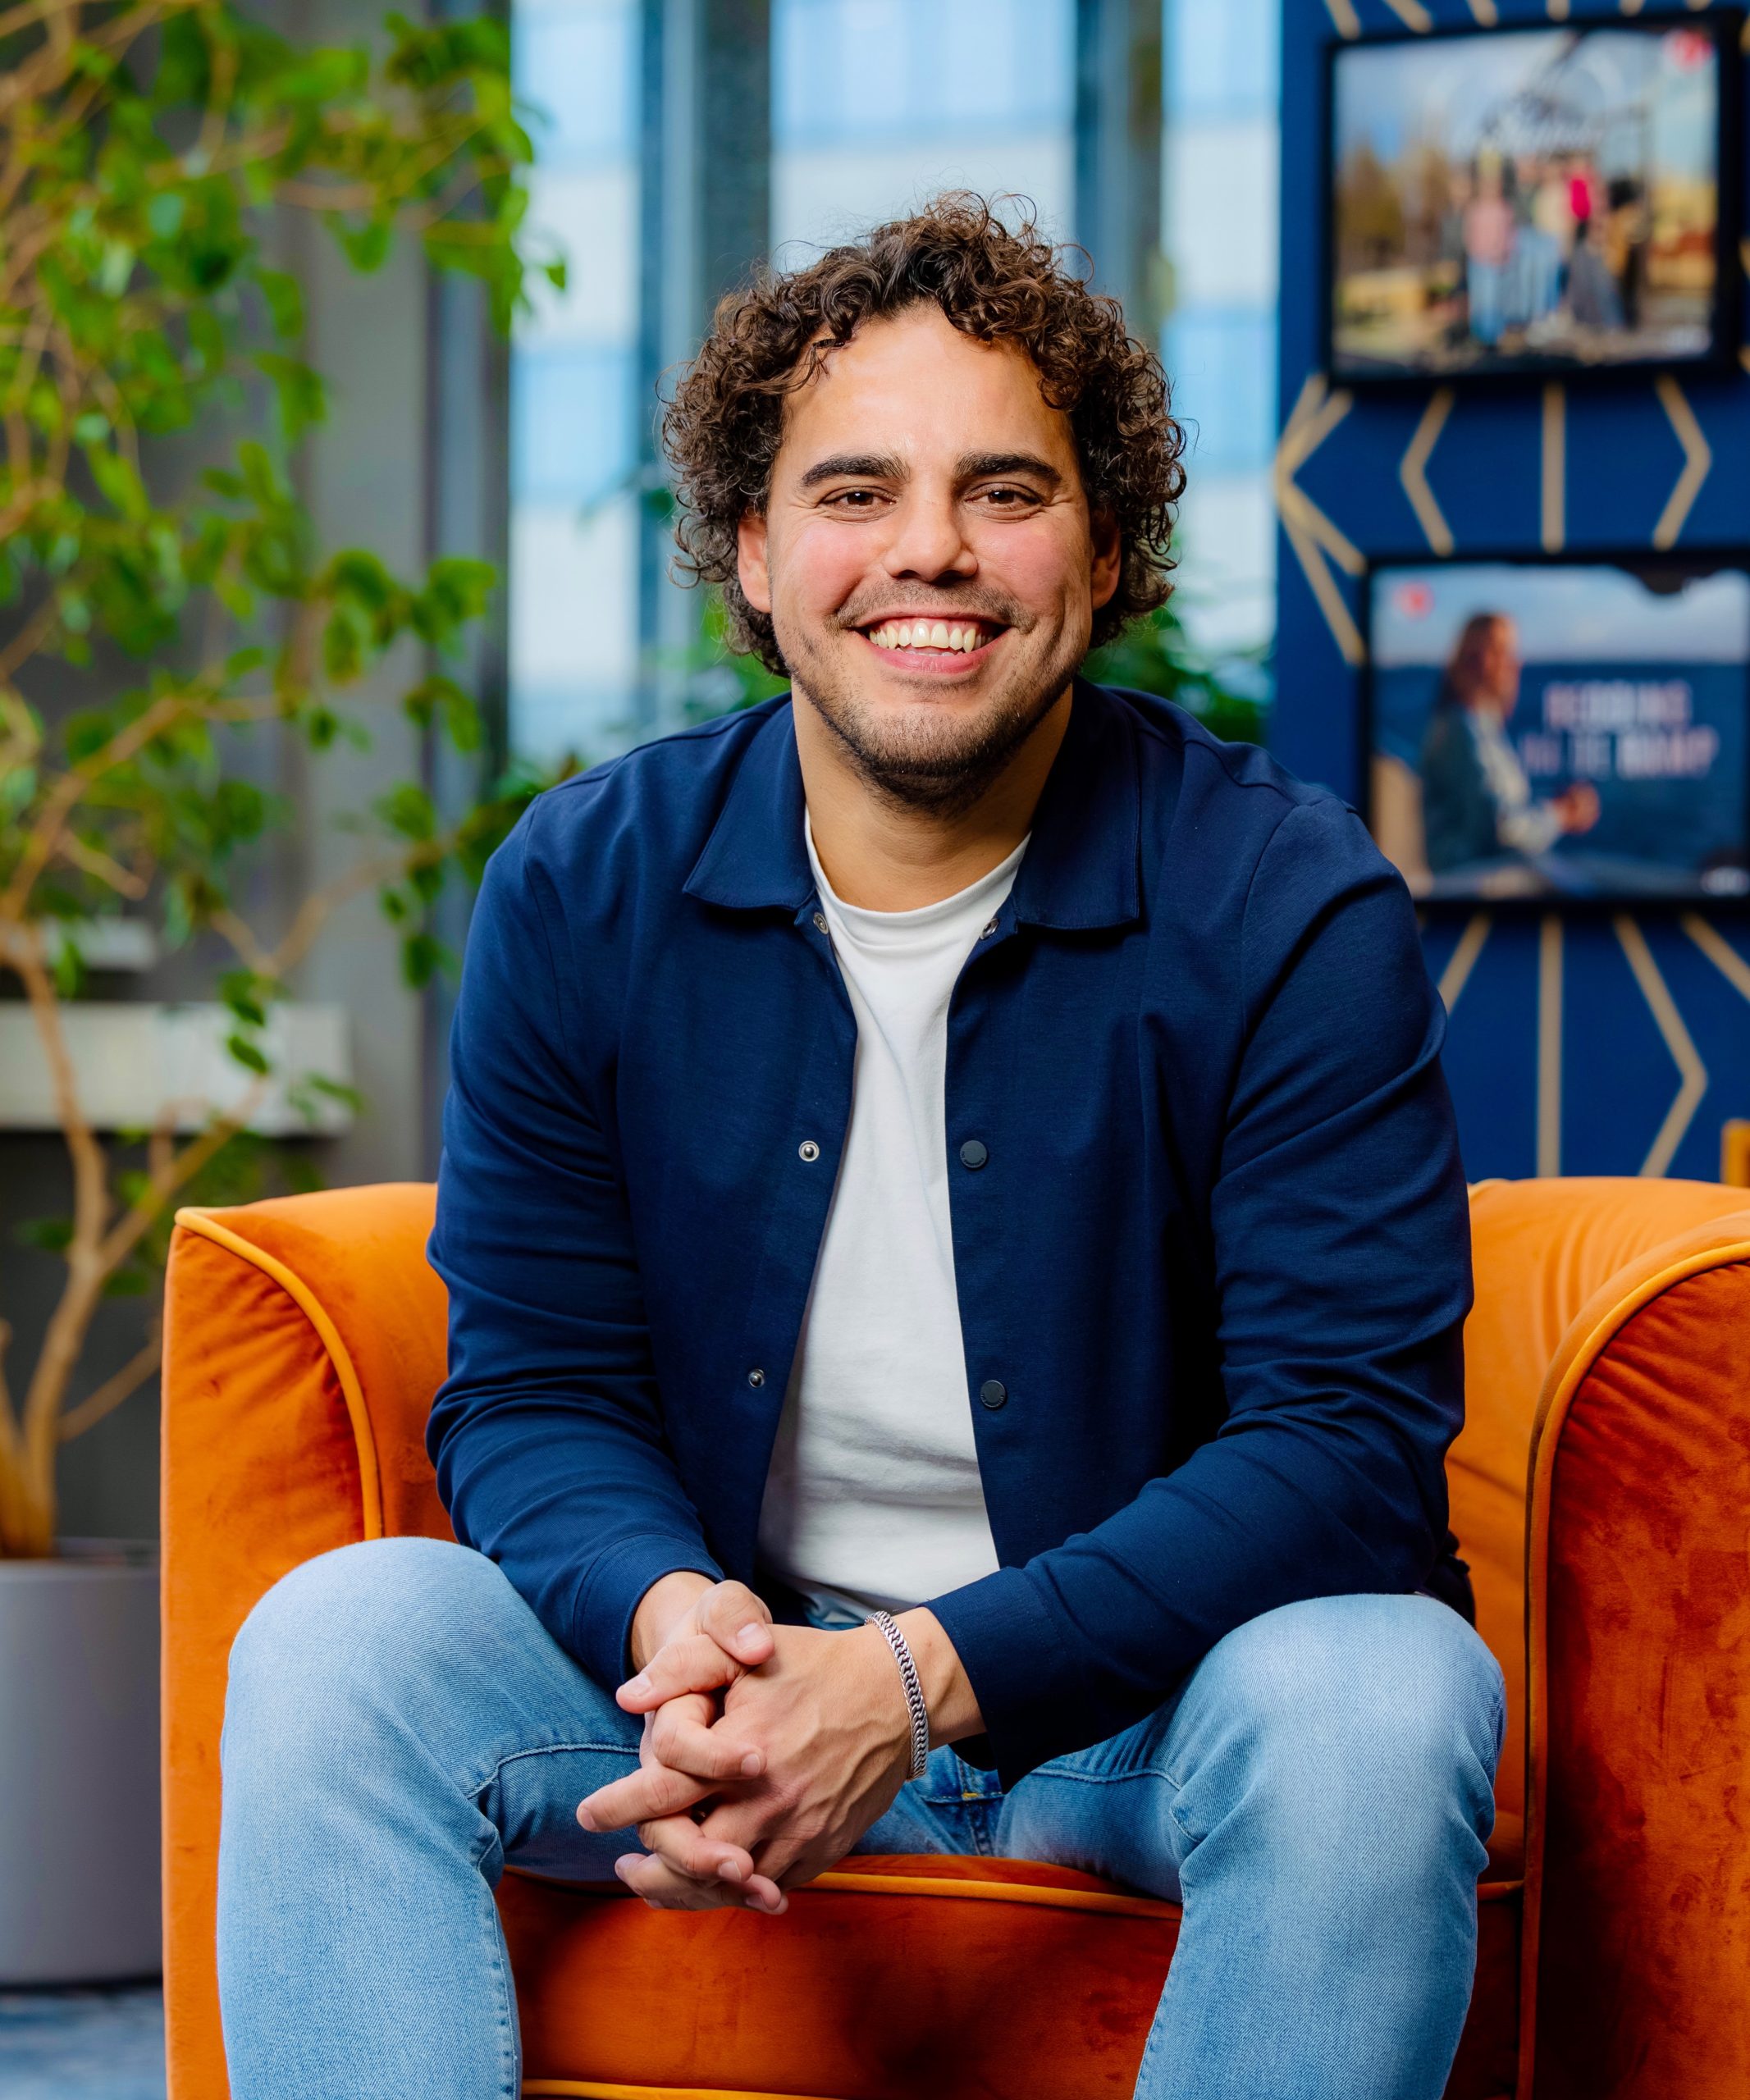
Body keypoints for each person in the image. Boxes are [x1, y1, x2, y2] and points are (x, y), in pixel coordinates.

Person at [216, 197, 1504, 2100]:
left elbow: (1341, 1443)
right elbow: (537, 1386)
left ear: (1105, 548)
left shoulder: (1284, 898)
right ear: (750, 549)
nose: (929, 550)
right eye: (853, 490)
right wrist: (683, 1627)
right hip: (730, 1671)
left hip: (1147, 1709)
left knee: (1381, 1698)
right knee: (336, 1640)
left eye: (1003, 489)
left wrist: (908, 1684)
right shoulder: (583, 886)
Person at [1419, 610, 1600, 875]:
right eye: (1500, 651)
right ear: (1474, 659)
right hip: (1469, 883)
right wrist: (1562, 814)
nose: (1513, 662)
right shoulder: (1462, 729)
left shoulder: (1475, 725)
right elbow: (1502, 832)